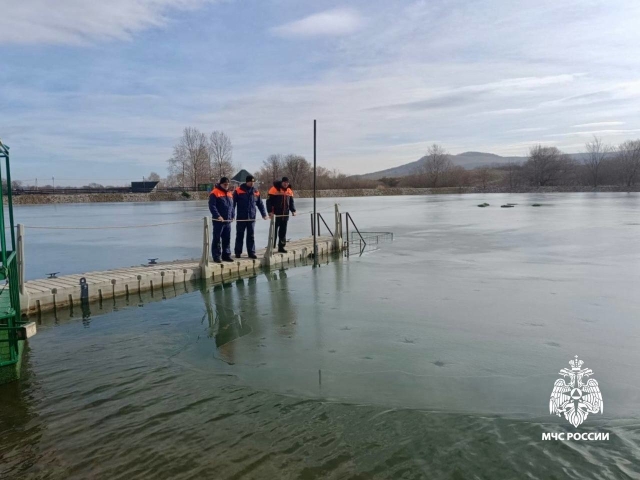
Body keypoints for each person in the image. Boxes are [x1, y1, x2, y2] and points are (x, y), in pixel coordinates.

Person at [233, 175, 267, 259]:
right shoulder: (238, 191)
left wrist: (264, 214)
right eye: (250, 182)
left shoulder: (256, 191)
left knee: (251, 235)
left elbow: (260, 204)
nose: (252, 183)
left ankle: (251, 252)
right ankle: (238, 252)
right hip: (241, 217)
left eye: (253, 182)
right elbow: (232, 204)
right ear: (246, 182)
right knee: (239, 235)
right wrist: (231, 215)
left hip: (251, 217)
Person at [266, 176, 296, 253]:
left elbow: (291, 202)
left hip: (285, 214)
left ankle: (281, 247)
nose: (286, 184)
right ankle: (272, 247)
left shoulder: (289, 191)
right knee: (274, 231)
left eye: (287, 183)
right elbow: (268, 201)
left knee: (283, 231)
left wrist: (293, 210)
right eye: (284, 182)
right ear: (282, 182)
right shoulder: (274, 189)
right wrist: (269, 211)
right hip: (276, 214)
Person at [208, 177, 235, 263]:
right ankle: (216, 256)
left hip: (227, 221)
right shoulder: (214, 193)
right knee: (217, 238)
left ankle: (226, 255)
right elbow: (212, 206)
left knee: (227, 238)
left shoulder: (230, 194)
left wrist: (233, 215)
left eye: (227, 184)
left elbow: (232, 206)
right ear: (221, 184)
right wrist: (218, 216)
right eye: (225, 184)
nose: (226, 186)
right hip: (218, 221)